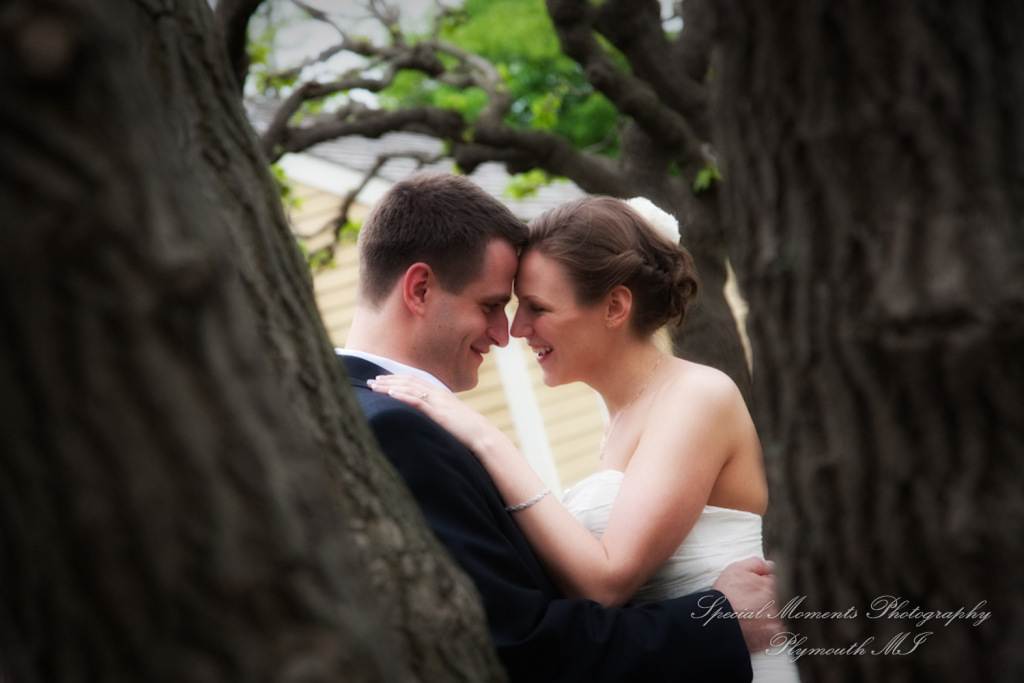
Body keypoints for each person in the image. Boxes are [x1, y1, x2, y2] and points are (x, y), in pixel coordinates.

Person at [340, 172, 781, 682]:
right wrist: (718, 620)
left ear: (615, 307)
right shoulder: (398, 426)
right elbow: (521, 641)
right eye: (494, 305)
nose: (512, 332)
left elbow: (601, 583)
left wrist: (487, 440)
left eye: (535, 308)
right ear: (418, 289)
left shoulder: (695, 396)